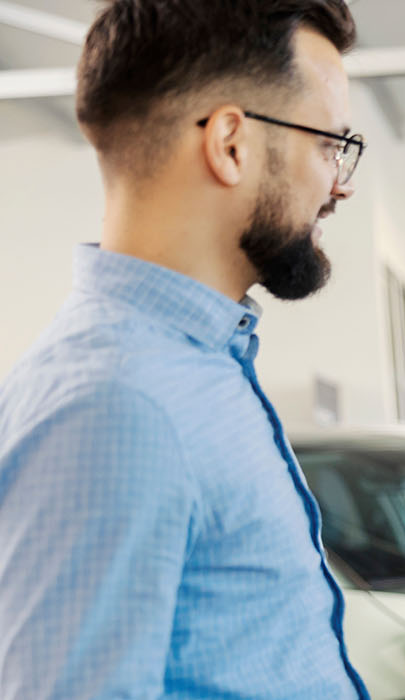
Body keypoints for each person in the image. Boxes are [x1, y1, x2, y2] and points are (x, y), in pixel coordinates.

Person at [0, 1, 369, 698]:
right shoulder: (116, 405)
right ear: (231, 143)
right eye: (329, 144)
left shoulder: (193, 367)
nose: (340, 182)